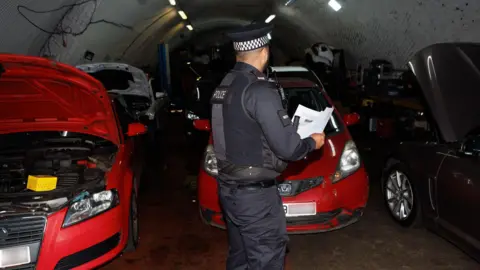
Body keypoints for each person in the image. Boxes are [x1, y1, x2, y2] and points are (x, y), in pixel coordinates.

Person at [210, 23, 325, 270]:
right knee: (266, 260)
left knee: (240, 258)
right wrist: (312, 142)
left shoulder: (224, 85)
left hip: (229, 190)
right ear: (264, 52)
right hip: (256, 199)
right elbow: (289, 148)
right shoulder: (259, 89)